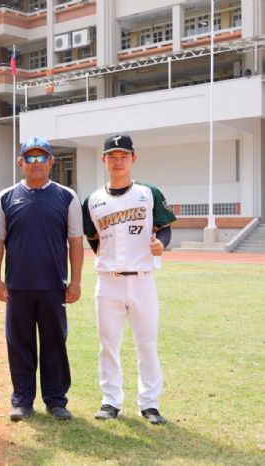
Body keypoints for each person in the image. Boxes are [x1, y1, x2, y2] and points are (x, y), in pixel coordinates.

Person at [82, 134, 176, 425]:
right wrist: (109, 259)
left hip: (143, 279)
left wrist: (162, 243)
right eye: (112, 156)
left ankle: (149, 403)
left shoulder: (149, 193)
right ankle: (111, 401)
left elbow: (164, 229)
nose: (118, 160)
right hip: (108, 281)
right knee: (108, 344)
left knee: (146, 343)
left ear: (133, 158)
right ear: (104, 160)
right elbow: (92, 237)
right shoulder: (93, 200)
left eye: (123, 155)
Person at [0, 136, 84, 421]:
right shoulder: (6, 197)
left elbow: (76, 241)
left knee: (55, 342)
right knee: (20, 344)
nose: (35, 163)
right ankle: (22, 400)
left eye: (41, 157)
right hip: (17, 286)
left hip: (54, 285)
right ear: (20, 163)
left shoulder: (67, 196)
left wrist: (76, 280)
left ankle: (56, 401)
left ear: (51, 161)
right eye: (29, 158)